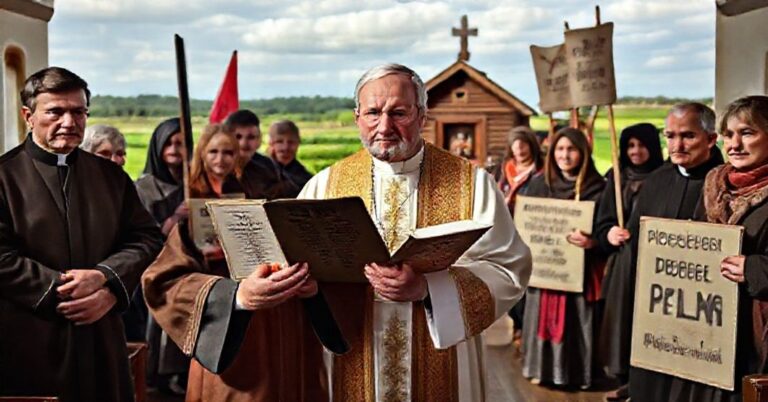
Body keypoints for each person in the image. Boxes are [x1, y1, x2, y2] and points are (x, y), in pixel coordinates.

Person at [299, 63, 532, 401]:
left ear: (422, 116)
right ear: (357, 117)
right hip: (353, 347)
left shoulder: (472, 185)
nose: (384, 126)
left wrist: (428, 288)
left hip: (442, 355)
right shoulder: (324, 186)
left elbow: (508, 268)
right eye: (373, 112)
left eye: (399, 113)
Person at [0, 67, 163, 401]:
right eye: (55, 112)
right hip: (29, 336)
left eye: (78, 112)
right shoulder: (4, 177)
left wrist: (107, 283)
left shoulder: (111, 177)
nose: (69, 122)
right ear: (29, 116)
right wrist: (63, 290)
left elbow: (146, 238)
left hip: (101, 334)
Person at [142, 123, 327, 401]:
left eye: (228, 152)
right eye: (213, 152)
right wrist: (229, 292)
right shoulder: (188, 196)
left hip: (266, 315)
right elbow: (163, 276)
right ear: (202, 154)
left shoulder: (252, 192)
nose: (221, 159)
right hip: (221, 315)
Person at [627, 102, 723, 401]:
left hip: (704, 314)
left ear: (711, 138)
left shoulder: (725, 183)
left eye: (688, 136)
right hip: (657, 307)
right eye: (670, 136)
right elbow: (637, 238)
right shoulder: (657, 179)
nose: (677, 145)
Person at [520, 127, 606, 389]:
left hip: (578, 271)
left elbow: (606, 227)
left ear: (583, 153)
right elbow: (525, 224)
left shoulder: (598, 187)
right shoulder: (539, 184)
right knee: (539, 318)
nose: (564, 156)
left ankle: (577, 375)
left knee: (576, 323)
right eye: (559, 149)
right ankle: (541, 369)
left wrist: (593, 241)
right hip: (545, 269)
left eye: (571, 149)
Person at [701, 95, 768, 402]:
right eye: (728, 135)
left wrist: (753, 268)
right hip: (716, 324)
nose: (734, 144)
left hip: (757, 334)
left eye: (747, 133)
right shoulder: (715, 185)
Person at [595, 123, 664, 399]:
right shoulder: (617, 178)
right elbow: (602, 221)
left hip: (653, 262)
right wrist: (609, 233)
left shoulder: (664, 177)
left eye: (642, 145)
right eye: (630, 146)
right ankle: (625, 378)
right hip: (623, 262)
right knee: (623, 320)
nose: (635, 151)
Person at [134, 117, 191, 394]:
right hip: (155, 264)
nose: (174, 149)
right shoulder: (143, 187)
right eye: (168, 143)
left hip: (189, 262)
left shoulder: (193, 182)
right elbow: (141, 234)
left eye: (181, 143)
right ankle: (155, 376)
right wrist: (174, 218)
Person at [224, 109, 283, 199]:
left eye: (251, 137)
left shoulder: (267, 167)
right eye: (238, 137)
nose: (244, 143)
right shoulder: (216, 167)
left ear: (259, 139)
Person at [494, 125, 544, 214]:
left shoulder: (543, 172)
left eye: (523, 146)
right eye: (516, 148)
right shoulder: (503, 169)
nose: (520, 152)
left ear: (532, 146)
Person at [267, 120, 313, 198]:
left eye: (291, 142)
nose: (285, 147)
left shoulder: (306, 179)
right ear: (271, 143)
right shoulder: (258, 174)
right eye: (279, 142)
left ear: (298, 143)